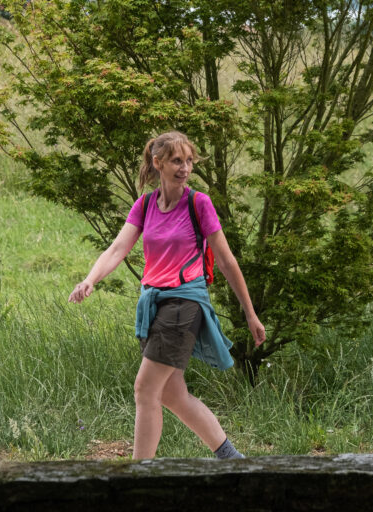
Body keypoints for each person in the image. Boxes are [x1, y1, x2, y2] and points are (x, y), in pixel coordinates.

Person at [68, 131, 266, 460]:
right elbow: (118, 248)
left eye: (189, 161)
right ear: (158, 163)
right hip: (155, 305)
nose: (185, 167)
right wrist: (90, 280)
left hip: (184, 303)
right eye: (177, 161)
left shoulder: (198, 204)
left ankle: (139, 474)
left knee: (145, 389)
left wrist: (250, 313)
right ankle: (232, 460)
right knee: (172, 394)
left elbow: (227, 260)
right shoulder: (145, 205)